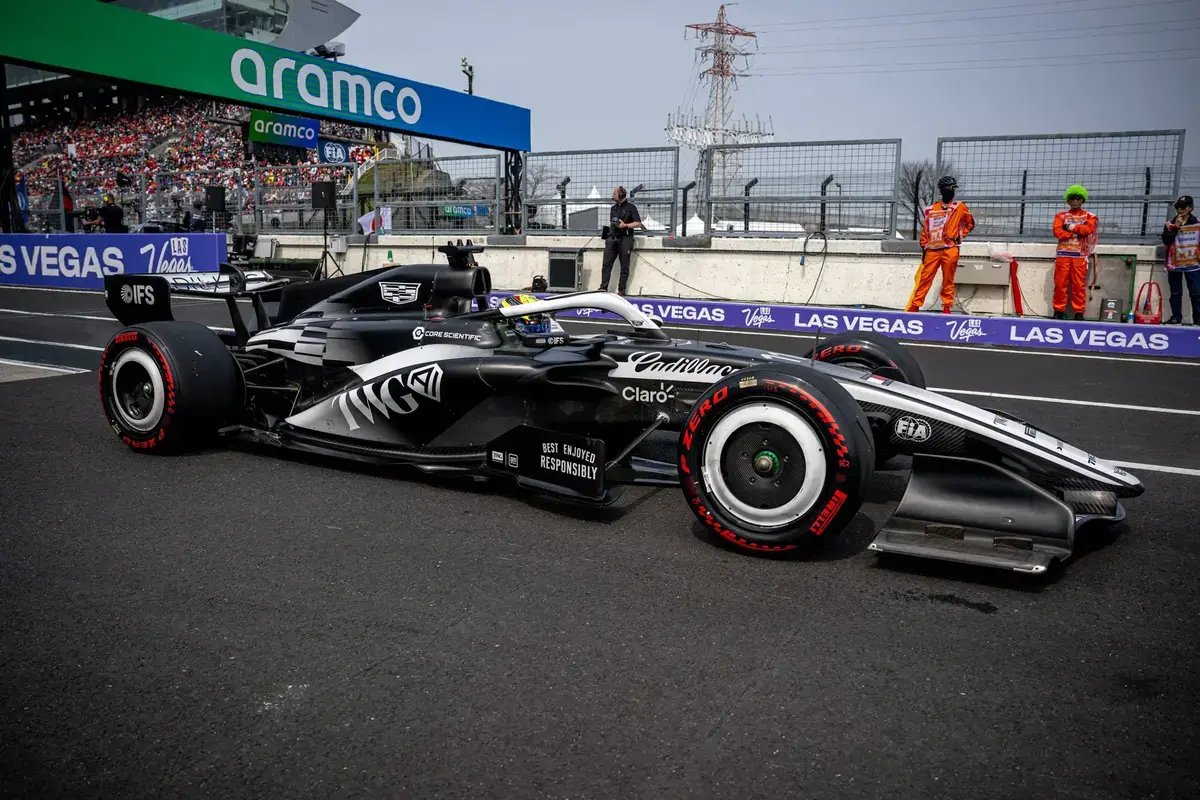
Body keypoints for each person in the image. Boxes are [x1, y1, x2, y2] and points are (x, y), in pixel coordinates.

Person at [905, 176, 975, 313]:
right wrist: (924, 248)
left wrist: (959, 236)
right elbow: (925, 230)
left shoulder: (959, 207)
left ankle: (947, 307)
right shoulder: (931, 209)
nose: (952, 191)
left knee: (948, 279)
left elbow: (970, 223)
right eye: (949, 188)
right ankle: (915, 306)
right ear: (942, 190)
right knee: (925, 278)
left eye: (954, 188)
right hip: (932, 250)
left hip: (950, 249)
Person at [1052, 185, 1098, 320]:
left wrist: (1069, 227)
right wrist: (1076, 231)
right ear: (1068, 200)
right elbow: (1058, 232)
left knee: (1079, 285)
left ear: (1083, 200)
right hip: (1063, 255)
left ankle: (1079, 313)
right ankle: (1058, 311)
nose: (1075, 201)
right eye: (1072, 198)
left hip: (1080, 256)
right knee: (1060, 285)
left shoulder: (1090, 216)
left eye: (1078, 198)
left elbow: (1087, 230)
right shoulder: (1060, 215)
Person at [598, 186, 643, 295]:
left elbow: (638, 223)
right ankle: (603, 287)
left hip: (625, 238)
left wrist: (626, 225)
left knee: (624, 266)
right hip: (612, 238)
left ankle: (621, 289)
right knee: (606, 264)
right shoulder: (613, 208)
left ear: (621, 195)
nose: (612, 195)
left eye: (614, 193)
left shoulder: (631, 207)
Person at [1162, 194, 1199, 325]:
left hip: (1193, 263)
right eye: (1178, 207)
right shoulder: (1170, 224)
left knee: (1196, 292)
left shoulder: (1197, 223)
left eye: (1183, 207)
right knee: (1175, 292)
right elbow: (1166, 240)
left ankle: (1198, 319)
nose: (1179, 210)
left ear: (1190, 208)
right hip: (1175, 263)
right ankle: (1176, 317)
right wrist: (1176, 226)